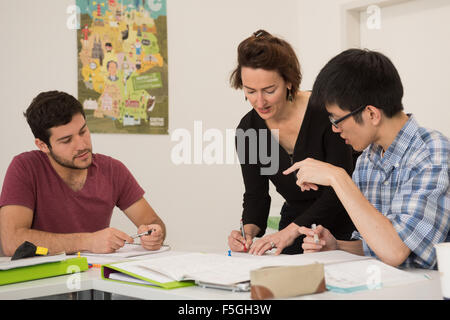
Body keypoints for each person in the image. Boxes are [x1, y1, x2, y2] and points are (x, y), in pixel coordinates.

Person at [284, 49, 450, 269]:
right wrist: (338, 246)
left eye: (337, 119)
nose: (335, 129)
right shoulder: (367, 161)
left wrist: (337, 177)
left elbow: (396, 251)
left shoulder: (431, 153)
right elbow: (375, 245)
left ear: (371, 114)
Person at [227, 30, 356, 255]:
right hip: (295, 227)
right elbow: (256, 195)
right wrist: (246, 231)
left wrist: (290, 231)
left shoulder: (325, 112)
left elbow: (340, 187)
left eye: (269, 90)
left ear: (288, 81)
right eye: (250, 91)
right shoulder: (249, 129)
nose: (260, 101)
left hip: (348, 225)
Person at [0, 91, 166, 256]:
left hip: (92, 277)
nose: (82, 145)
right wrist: (89, 241)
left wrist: (155, 234)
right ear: (43, 145)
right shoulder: (25, 167)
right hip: (39, 279)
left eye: (83, 132)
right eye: (66, 140)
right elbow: (12, 242)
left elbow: (152, 222)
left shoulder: (113, 170)